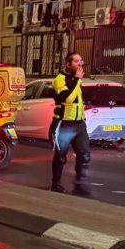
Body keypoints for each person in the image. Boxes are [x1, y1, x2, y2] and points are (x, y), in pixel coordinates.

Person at [50, 52, 90, 195]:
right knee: (60, 157)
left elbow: (78, 101)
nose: (80, 64)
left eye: (81, 61)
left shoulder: (76, 80)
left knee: (84, 155)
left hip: (79, 124)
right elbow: (67, 99)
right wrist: (78, 80)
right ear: (68, 64)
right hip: (64, 124)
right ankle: (56, 184)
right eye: (76, 61)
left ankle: (79, 184)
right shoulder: (60, 79)